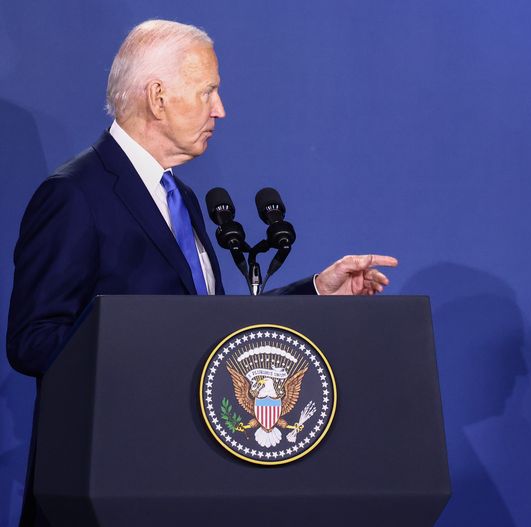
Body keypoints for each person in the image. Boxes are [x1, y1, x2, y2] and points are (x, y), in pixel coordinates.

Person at [6, 19, 397, 379]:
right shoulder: (74, 194)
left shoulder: (182, 197)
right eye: (208, 92)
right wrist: (144, 347)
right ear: (157, 98)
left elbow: (212, 327)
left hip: (186, 430)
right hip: (117, 429)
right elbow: (32, 341)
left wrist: (317, 290)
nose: (220, 110)